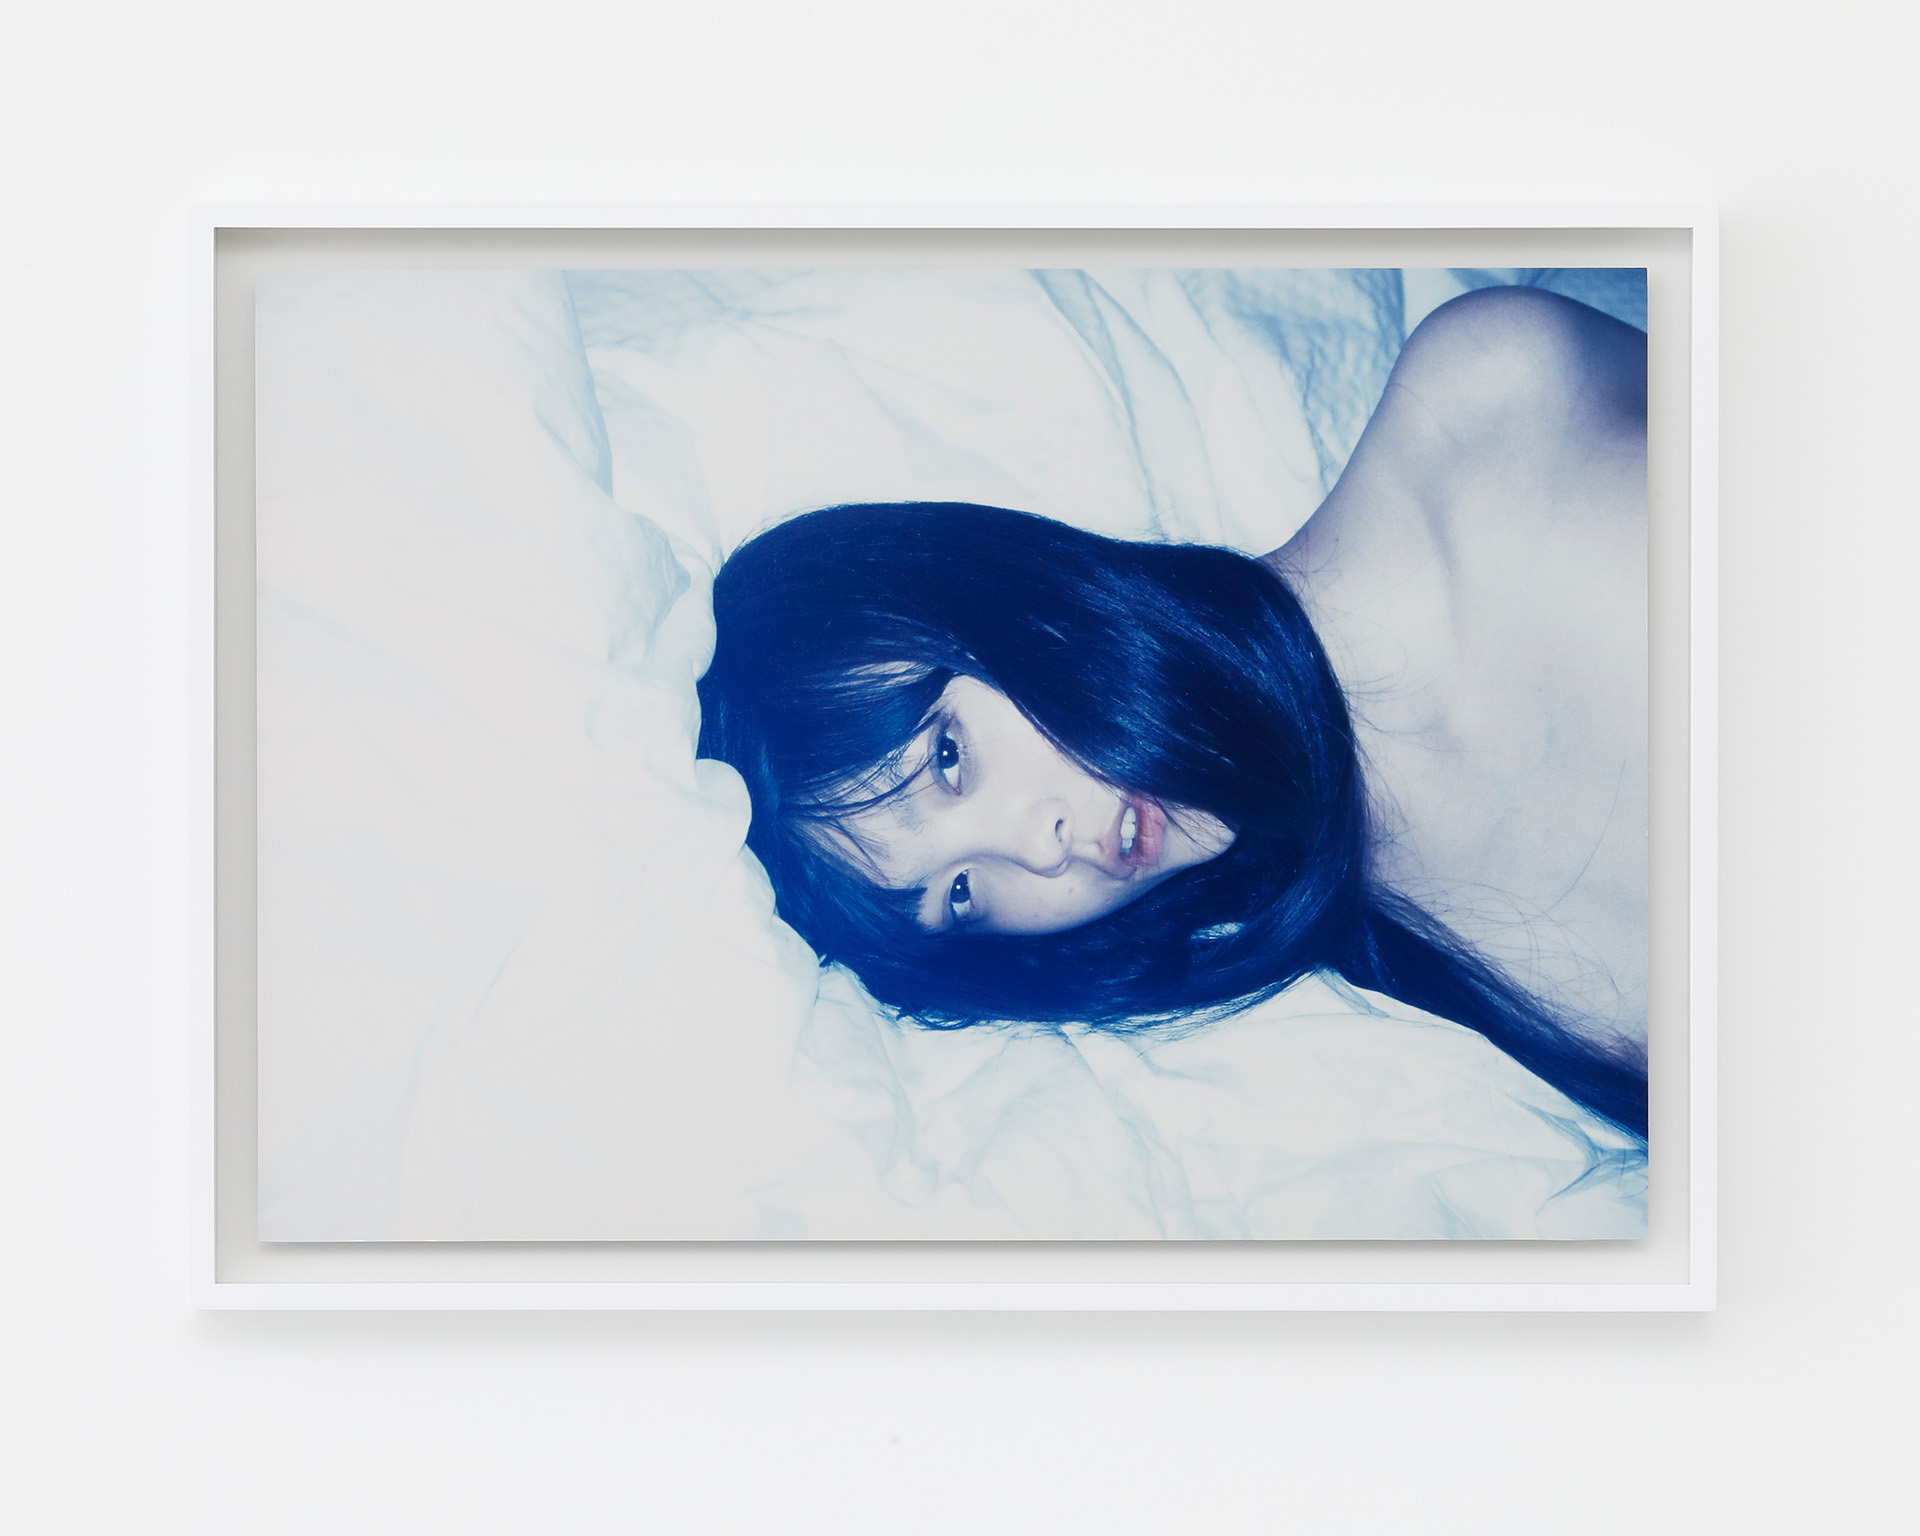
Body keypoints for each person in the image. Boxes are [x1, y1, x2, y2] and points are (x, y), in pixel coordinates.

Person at [696, 286, 1649, 1137]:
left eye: (947, 757)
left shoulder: (1490, 399)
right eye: (960, 896)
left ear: (996, 595)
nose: (1038, 853)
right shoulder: (1404, 1007)